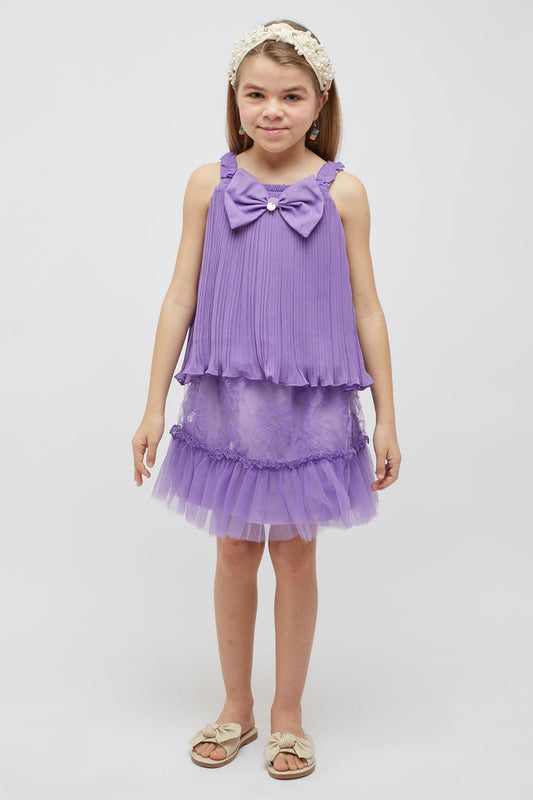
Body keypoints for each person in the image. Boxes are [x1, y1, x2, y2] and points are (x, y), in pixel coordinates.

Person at [131, 18, 401, 780]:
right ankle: (235, 707)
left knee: (295, 552)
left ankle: (287, 714)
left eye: (290, 96)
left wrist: (387, 415)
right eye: (255, 95)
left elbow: (367, 307)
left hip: (309, 407)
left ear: (319, 103)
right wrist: (153, 406)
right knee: (233, 549)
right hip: (229, 403)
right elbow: (180, 295)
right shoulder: (207, 185)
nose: (271, 110)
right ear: (235, 99)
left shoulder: (343, 193)